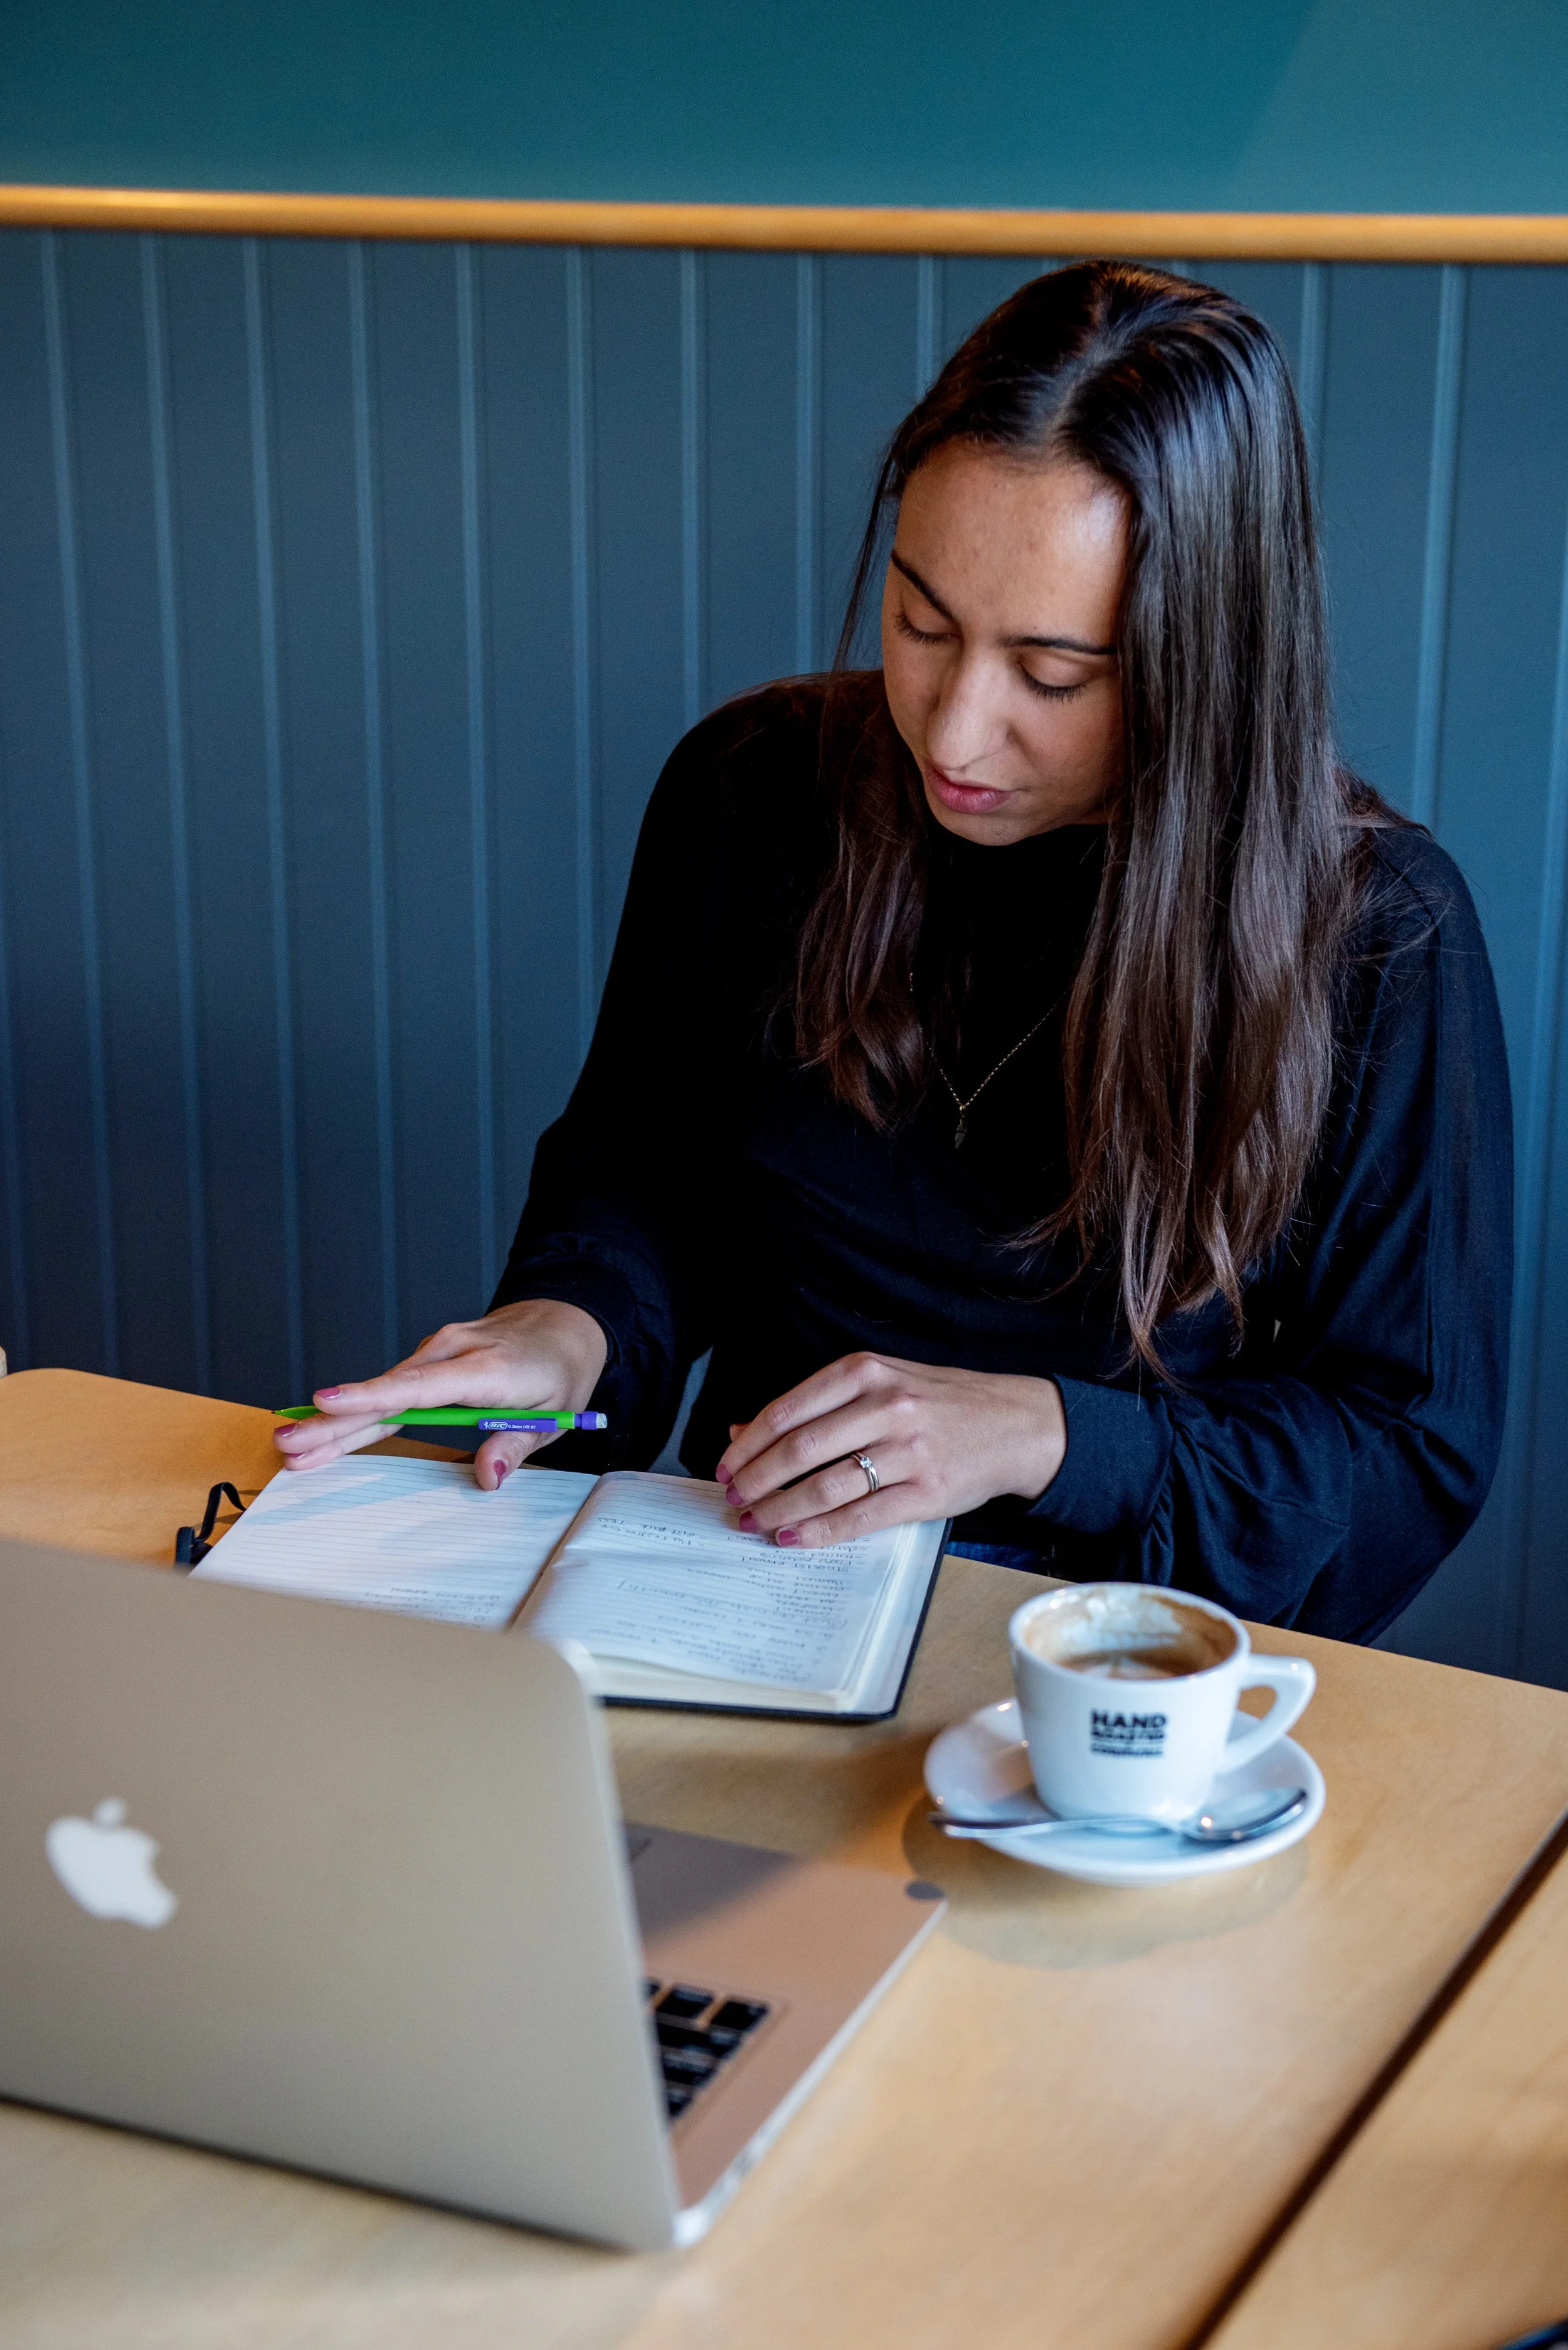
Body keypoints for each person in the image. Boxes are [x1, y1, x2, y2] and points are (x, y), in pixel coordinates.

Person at [276, 261, 1512, 1642]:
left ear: (1200, 660)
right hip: (732, 1596)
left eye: (1050, 674)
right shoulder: (748, 789)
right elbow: (644, 1178)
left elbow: (1406, 1454)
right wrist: (565, 1329)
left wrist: (1045, 1435)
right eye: (922, 621)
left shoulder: (1377, 933)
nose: (953, 729)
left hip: (1120, 1667)